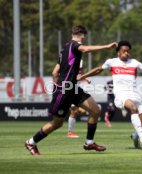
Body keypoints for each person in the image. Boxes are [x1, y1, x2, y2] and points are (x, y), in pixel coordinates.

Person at [24, 25, 117, 155]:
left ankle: (89, 143)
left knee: (95, 110)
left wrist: (61, 84)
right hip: (65, 89)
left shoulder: (64, 50)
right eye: (84, 36)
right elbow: (85, 49)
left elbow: (55, 72)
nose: (84, 39)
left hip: (72, 88)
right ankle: (31, 142)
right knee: (57, 123)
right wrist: (106, 46)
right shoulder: (74, 45)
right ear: (82, 35)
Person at [78, 40, 142, 148]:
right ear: (118, 52)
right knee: (133, 108)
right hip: (121, 95)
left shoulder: (135, 63)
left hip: (135, 94)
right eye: (124, 51)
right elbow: (98, 70)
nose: (127, 53)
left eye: (128, 51)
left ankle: (136, 135)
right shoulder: (112, 62)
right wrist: (83, 76)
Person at [53, 60, 90, 138]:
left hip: (76, 88)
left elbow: (78, 74)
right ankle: (70, 132)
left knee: (81, 111)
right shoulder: (70, 59)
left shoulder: (81, 61)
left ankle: (69, 130)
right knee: (74, 110)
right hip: (68, 88)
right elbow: (59, 72)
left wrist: (85, 78)